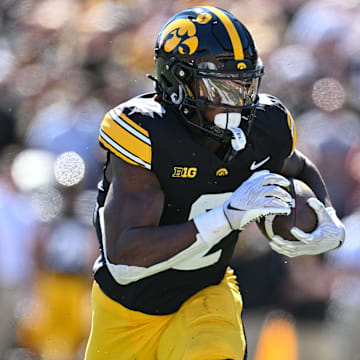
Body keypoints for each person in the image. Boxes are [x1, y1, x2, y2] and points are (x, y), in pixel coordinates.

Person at [85, 6, 345, 360]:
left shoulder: (264, 126)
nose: (237, 103)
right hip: (127, 310)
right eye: (219, 87)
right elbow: (125, 262)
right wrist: (226, 217)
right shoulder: (147, 134)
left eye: (244, 85)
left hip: (206, 295)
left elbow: (296, 166)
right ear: (178, 84)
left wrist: (325, 213)